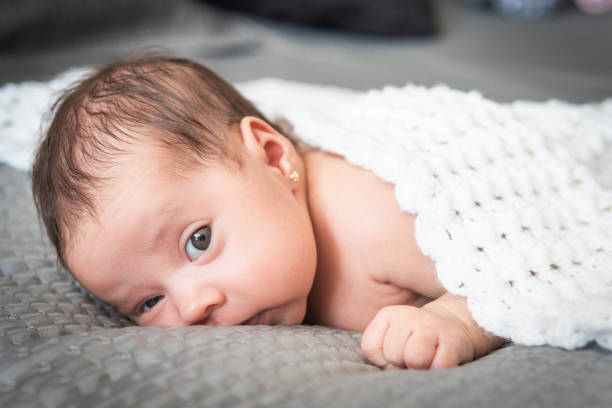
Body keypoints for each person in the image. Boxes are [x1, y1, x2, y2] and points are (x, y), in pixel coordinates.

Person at [31, 55, 509, 370]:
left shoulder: (375, 219)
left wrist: (458, 320)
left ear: (276, 158)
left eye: (198, 240)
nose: (194, 307)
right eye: (148, 303)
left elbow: (520, 270)